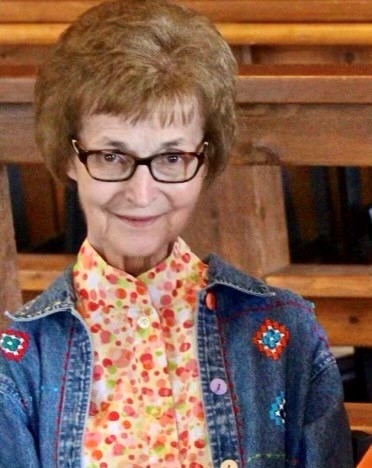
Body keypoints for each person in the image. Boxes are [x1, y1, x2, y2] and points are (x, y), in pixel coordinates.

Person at [0, 0, 353, 466]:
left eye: (171, 159)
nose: (142, 194)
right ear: (70, 158)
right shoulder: (19, 364)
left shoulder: (285, 334)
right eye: (111, 156)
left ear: (205, 161)